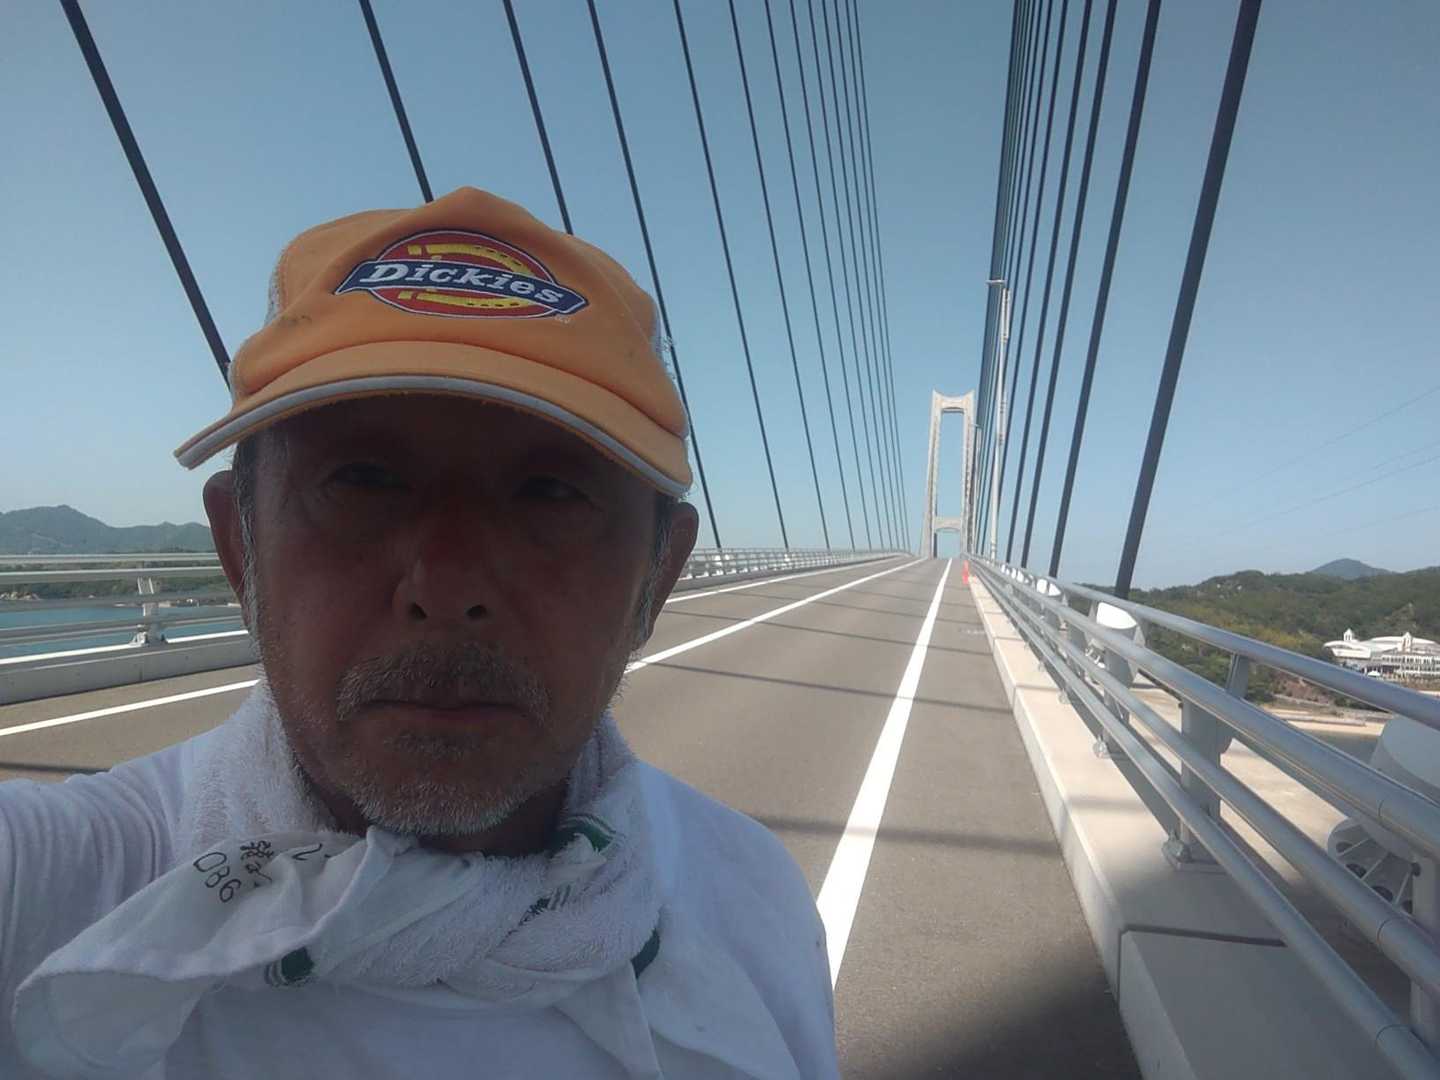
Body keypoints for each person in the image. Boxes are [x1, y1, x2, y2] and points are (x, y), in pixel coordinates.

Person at [0, 187, 838, 1079]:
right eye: (363, 480)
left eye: (550, 493)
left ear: (656, 580)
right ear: (241, 552)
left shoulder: (757, 901)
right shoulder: (49, 888)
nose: (446, 588)